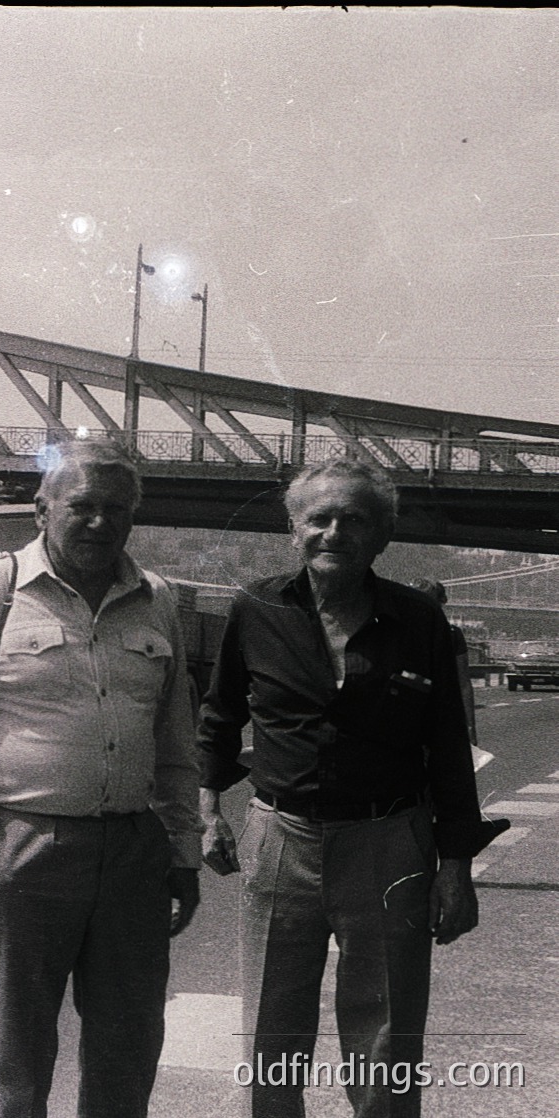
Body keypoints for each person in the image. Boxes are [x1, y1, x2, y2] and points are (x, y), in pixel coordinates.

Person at [198, 458, 508, 1118]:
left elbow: (449, 749)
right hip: (280, 839)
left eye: (355, 520)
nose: (335, 532)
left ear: (381, 537)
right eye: (320, 519)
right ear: (295, 530)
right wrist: (208, 811)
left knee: (387, 1038)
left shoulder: (419, 619)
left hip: (390, 844)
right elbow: (219, 715)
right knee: (272, 1032)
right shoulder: (255, 609)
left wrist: (456, 868)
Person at [0, 439, 203, 1118]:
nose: (100, 522)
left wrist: (182, 853)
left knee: (127, 1061)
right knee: (16, 1066)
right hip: (22, 852)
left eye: (117, 508)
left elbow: (174, 743)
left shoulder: (157, 600)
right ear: (42, 509)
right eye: (83, 506)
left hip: (133, 855)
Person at [412, 578, 478, 749]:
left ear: (441, 602)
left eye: (428, 601)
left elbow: (463, 683)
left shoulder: (452, 635)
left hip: (440, 718)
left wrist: (470, 728)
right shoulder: (394, 632)